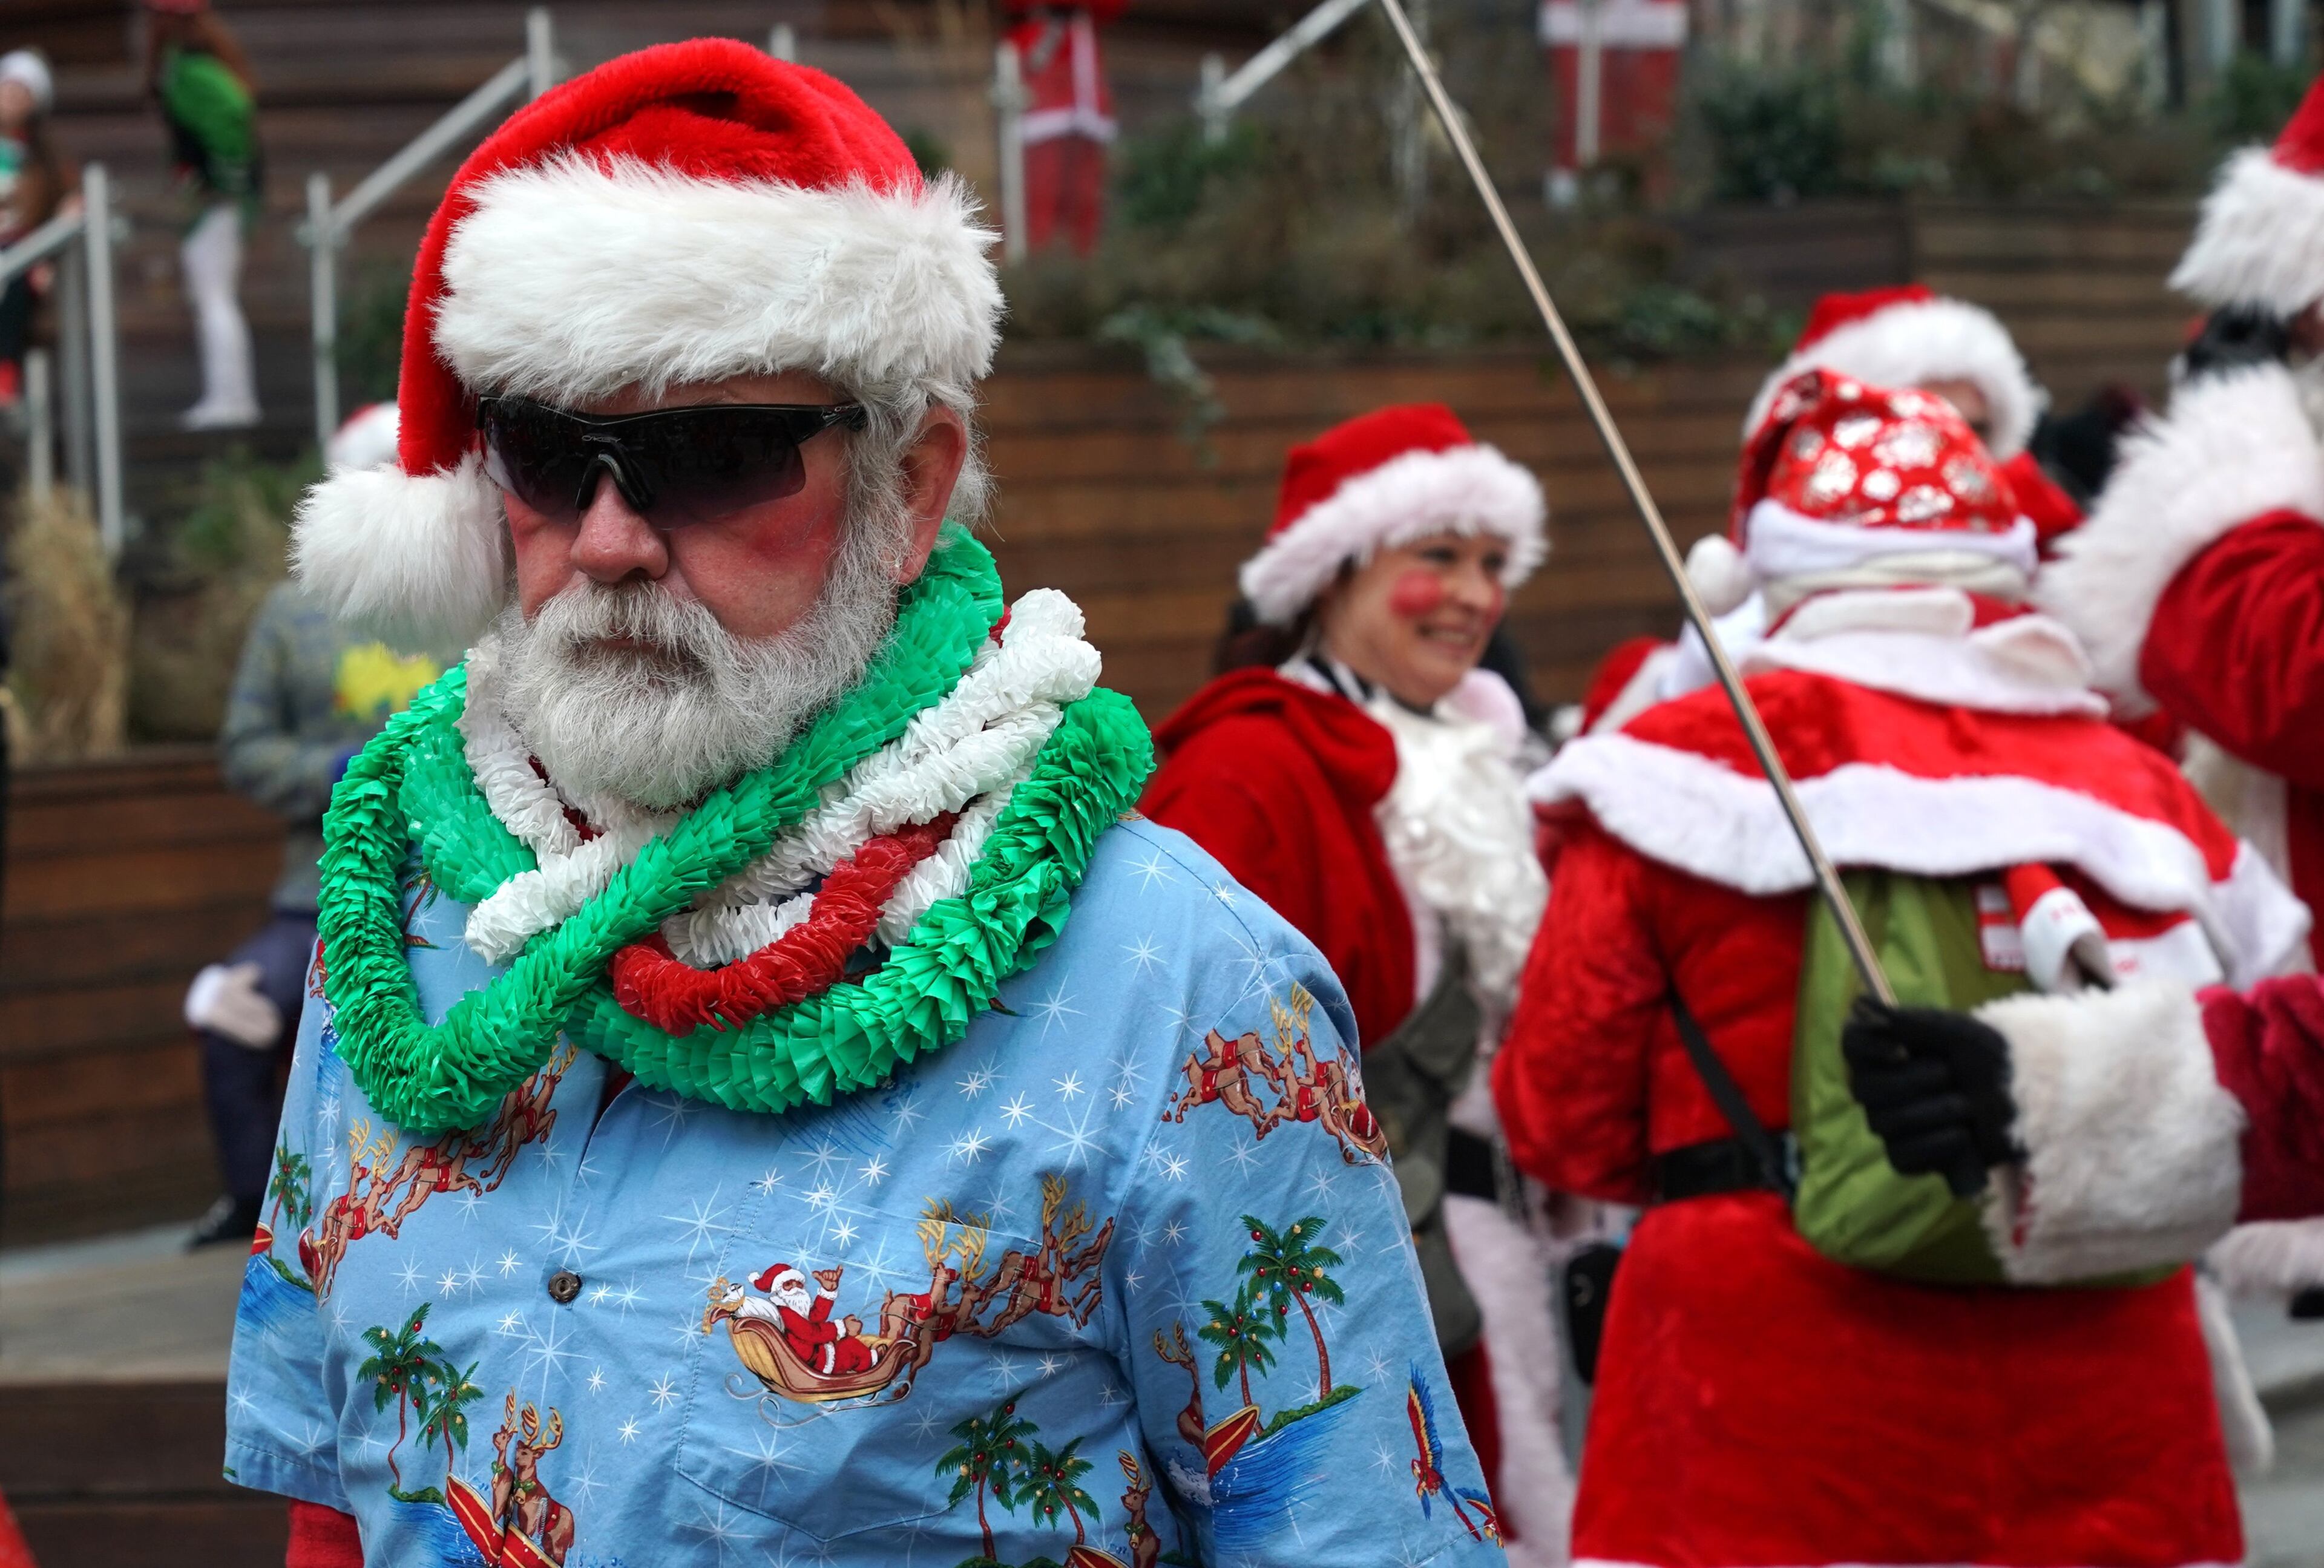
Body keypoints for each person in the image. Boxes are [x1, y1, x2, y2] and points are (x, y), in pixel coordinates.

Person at [223, 42, 1497, 1568]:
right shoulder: (401, 933)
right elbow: (334, 1510)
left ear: (908, 492)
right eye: (556, 456)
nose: (616, 537)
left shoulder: (1178, 985)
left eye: (716, 453)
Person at [1494, 370, 2304, 1568]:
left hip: (1761, 1408)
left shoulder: (1669, 769)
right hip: (2108, 1411)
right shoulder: (2138, 784)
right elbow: (2262, 1037)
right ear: (1994, 556)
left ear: (1781, 556)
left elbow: (1561, 1112)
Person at [1141, 404, 1569, 1560]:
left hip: (1486, 1260)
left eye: (1492, 564)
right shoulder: (1251, 767)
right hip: (1341, 1292)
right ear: (1332, 572)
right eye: (1437, 558)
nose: (1477, 595)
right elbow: (1182, 1068)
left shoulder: (1477, 747)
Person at [1590, 284, 2082, 736]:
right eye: (1916, 427)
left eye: (1971, 432)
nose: (1946, 455)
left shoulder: (2051, 623)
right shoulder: (1718, 655)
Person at [185, 407, 443, 1248]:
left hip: (455, 886)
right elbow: (244, 749)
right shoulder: (291, 614)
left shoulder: (471, 598)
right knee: (233, 1013)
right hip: (317, 893)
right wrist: (335, 772)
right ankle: (265, 1217)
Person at [145, 0, 261, 429]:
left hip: (217, 204)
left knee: (215, 297)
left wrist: (218, 179)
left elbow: (234, 114)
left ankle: (231, 400)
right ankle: (228, 397)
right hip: (217, 202)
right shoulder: (195, 62)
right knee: (214, 297)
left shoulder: (190, 69)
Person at [1003, 0, 1124, 255]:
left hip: (1087, 105)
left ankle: (1082, 270)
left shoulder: (1083, 26)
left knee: (1085, 199)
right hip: (1044, 109)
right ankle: (1038, 269)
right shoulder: (1032, 27)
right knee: (1042, 200)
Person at [0, 50, 77, 413]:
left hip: (18, 252)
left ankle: (4, 380)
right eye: (6, 90)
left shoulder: (41, 157)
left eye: (20, 94)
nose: (9, 100)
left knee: (14, 291)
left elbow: (64, 198)